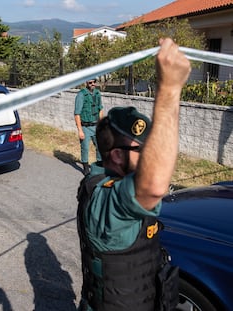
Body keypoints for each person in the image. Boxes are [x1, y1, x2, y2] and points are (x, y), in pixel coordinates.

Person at [76, 38, 191, 311]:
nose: (153, 153)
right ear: (117, 155)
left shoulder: (119, 180)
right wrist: (170, 87)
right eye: (145, 149)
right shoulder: (105, 199)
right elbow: (152, 186)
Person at [74, 78, 104, 175]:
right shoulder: (81, 95)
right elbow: (77, 114)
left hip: (96, 125)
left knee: (100, 146)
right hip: (85, 127)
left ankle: (99, 166)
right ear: (86, 83)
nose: (92, 84)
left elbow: (100, 109)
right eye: (90, 82)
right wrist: (80, 130)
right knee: (85, 148)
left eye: (94, 82)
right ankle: (86, 168)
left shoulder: (97, 94)